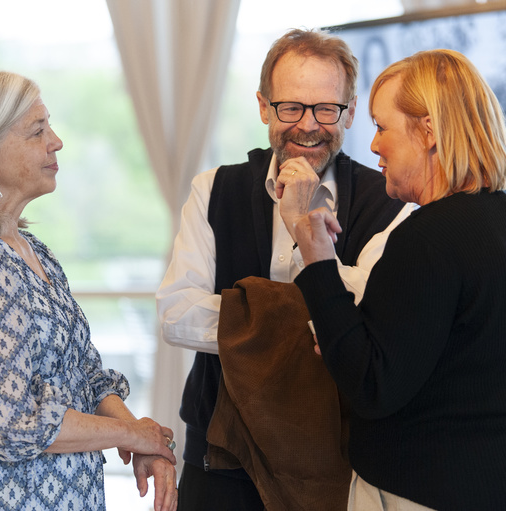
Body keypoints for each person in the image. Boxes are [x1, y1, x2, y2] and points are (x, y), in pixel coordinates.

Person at [292, 49, 506, 510]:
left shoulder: (426, 238)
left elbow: (371, 385)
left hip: (438, 490)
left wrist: (317, 259)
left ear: (427, 131)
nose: (372, 146)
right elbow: (458, 357)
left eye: (382, 127)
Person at [156, 28, 412, 510]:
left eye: (325, 109)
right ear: (263, 107)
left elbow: (373, 326)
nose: (307, 126)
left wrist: (242, 311)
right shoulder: (213, 189)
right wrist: (317, 317)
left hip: (336, 456)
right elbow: (175, 314)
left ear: (350, 111)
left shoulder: (390, 205)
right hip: (220, 453)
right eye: (290, 107)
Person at [0, 70, 178, 511]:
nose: (56, 141)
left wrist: (142, 438)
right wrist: (132, 435)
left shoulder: (31, 249)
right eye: (37, 131)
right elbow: (12, 421)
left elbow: (86, 375)